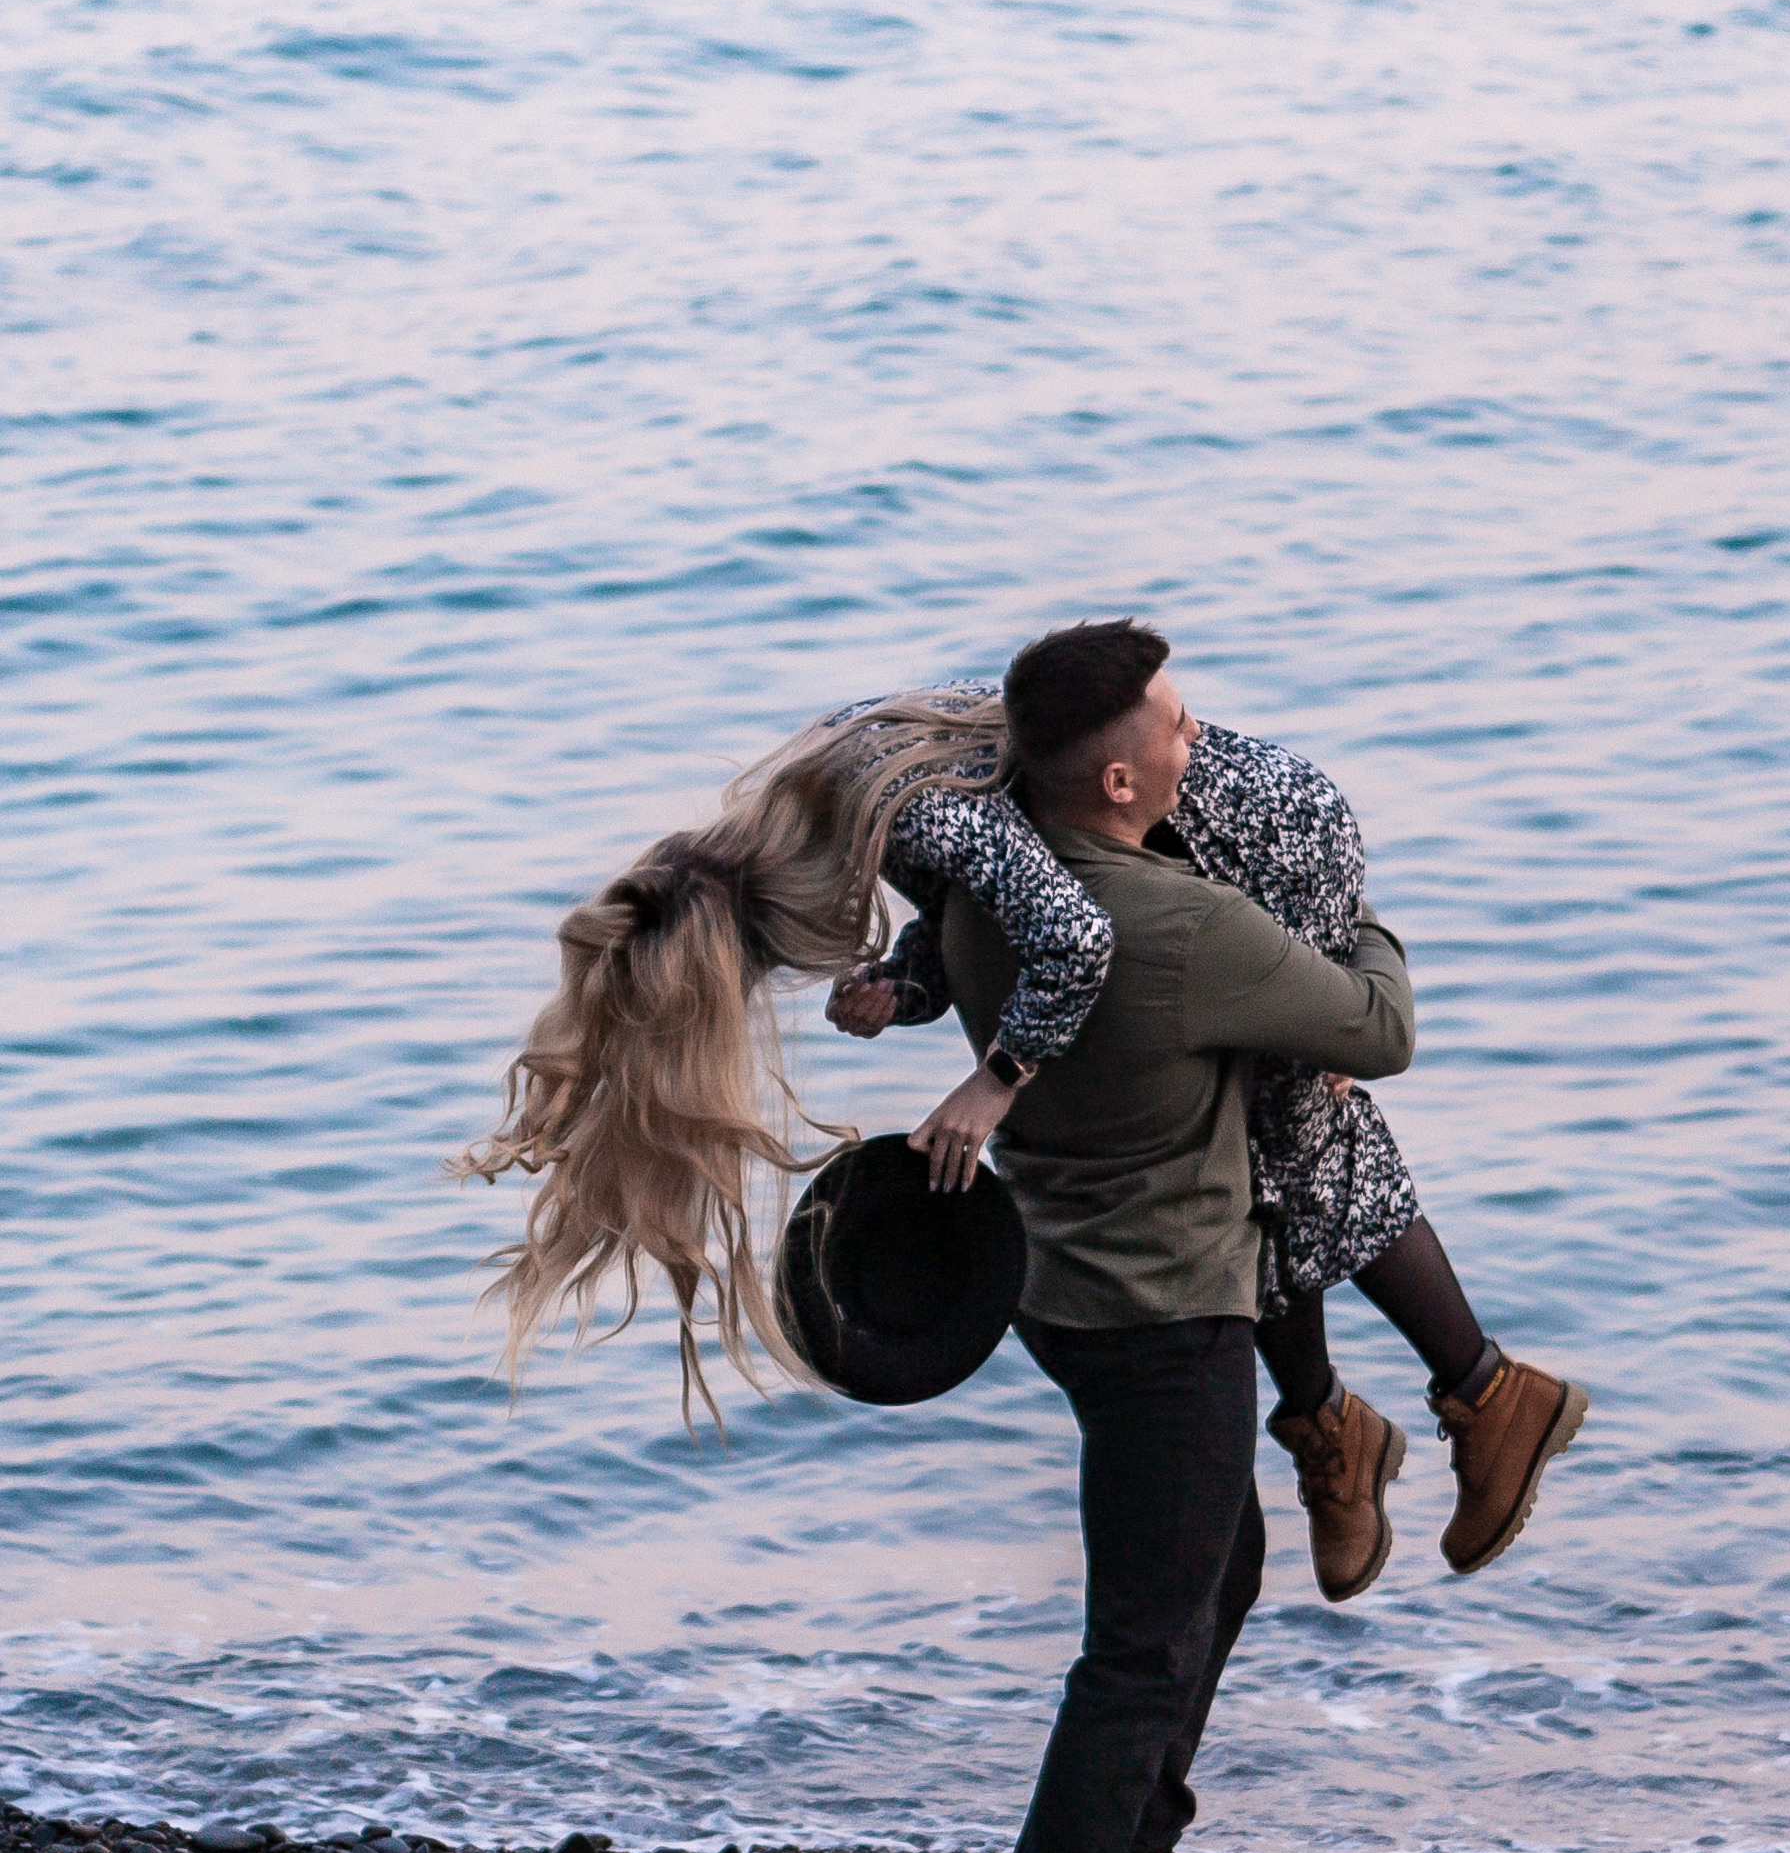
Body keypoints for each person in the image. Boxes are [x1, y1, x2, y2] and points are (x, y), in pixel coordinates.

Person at [462, 648, 1587, 1593]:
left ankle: (1477, 1394)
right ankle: (1343, 1422)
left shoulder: (909, 822)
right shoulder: (831, 791)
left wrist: (993, 1079)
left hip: (1257, 847)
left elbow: (1072, 935)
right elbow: (985, 907)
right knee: (1241, 1140)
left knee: (1275, 1142)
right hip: (1162, 838)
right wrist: (903, 989)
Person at [933, 619, 1422, 1853]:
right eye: (1187, 729)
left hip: (1061, 1282)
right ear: (1130, 774)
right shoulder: (1178, 926)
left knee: (1216, 1571)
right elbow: (1380, 1028)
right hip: (1169, 1313)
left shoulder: (984, 880)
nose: (1206, 744)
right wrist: (1359, 918)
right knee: (1138, 1647)